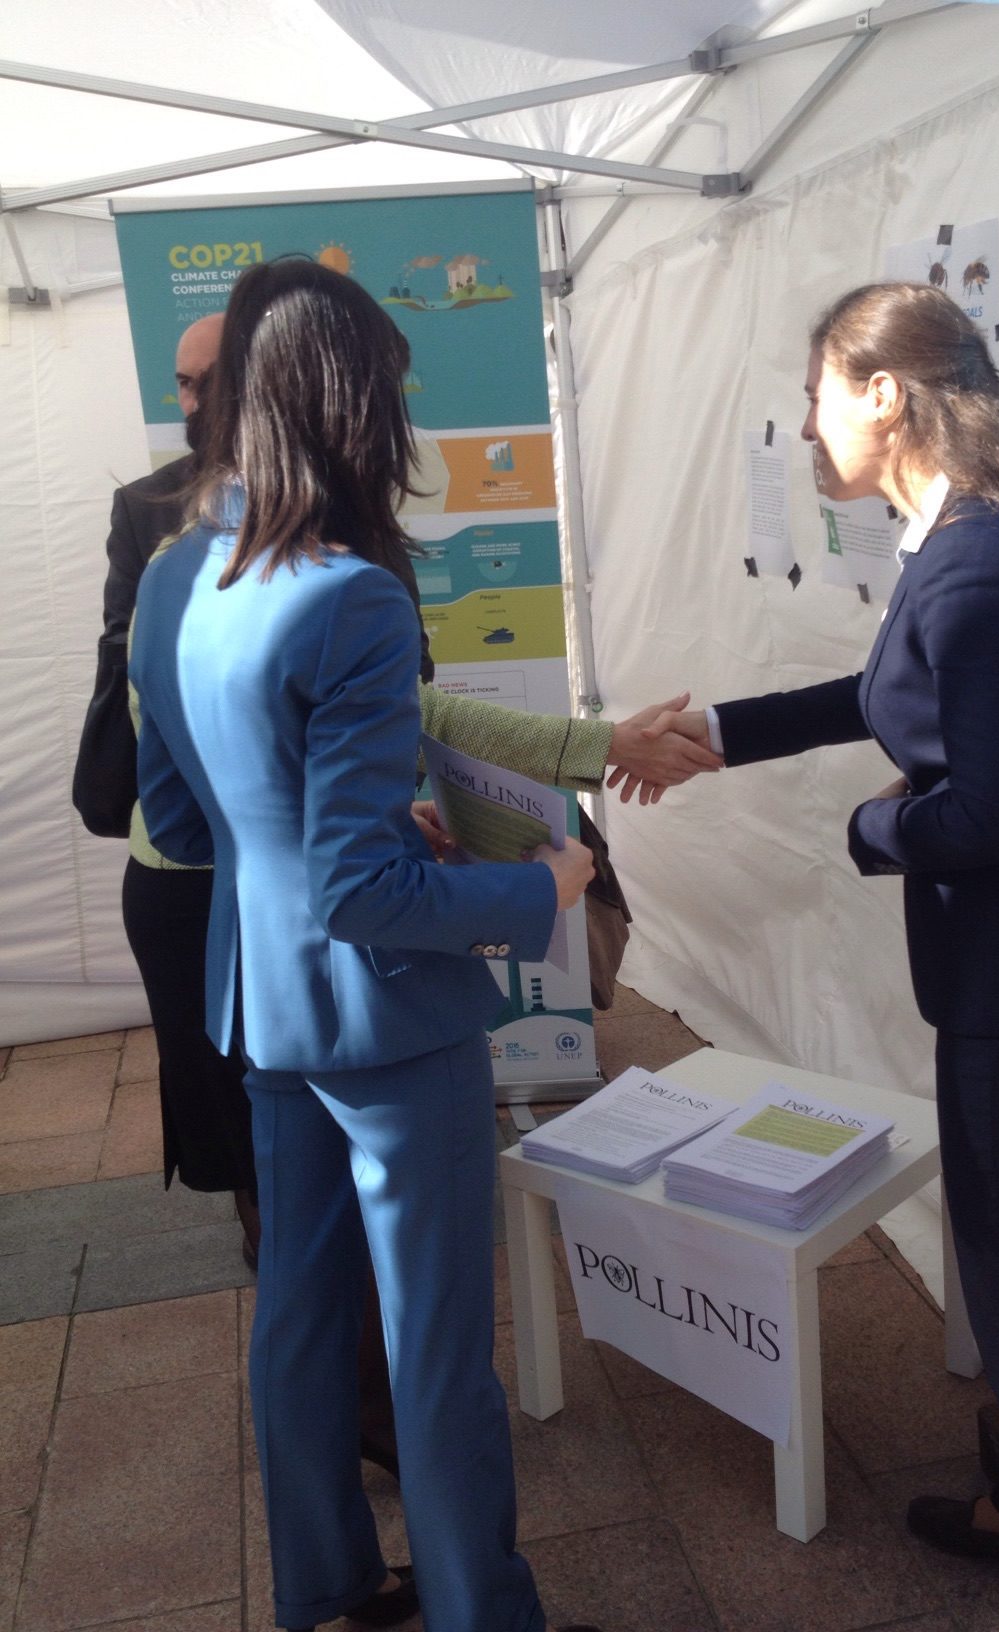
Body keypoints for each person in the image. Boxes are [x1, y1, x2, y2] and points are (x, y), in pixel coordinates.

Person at [641, 282, 999, 1632]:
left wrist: (871, 829)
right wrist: (717, 727)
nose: (807, 422)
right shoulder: (974, 536)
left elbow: (989, 813)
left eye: (818, 392)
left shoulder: (987, 559)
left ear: (886, 396)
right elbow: (892, 689)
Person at [129, 256, 602, 1632]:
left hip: (262, 1006)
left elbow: (182, 815)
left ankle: (324, 1588)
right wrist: (545, 888)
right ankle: (479, 1610)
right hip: (390, 1029)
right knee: (439, 1349)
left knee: (299, 1323)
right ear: (353, 410)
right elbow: (358, 892)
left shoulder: (176, 582)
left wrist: (352, 842)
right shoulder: (354, 597)